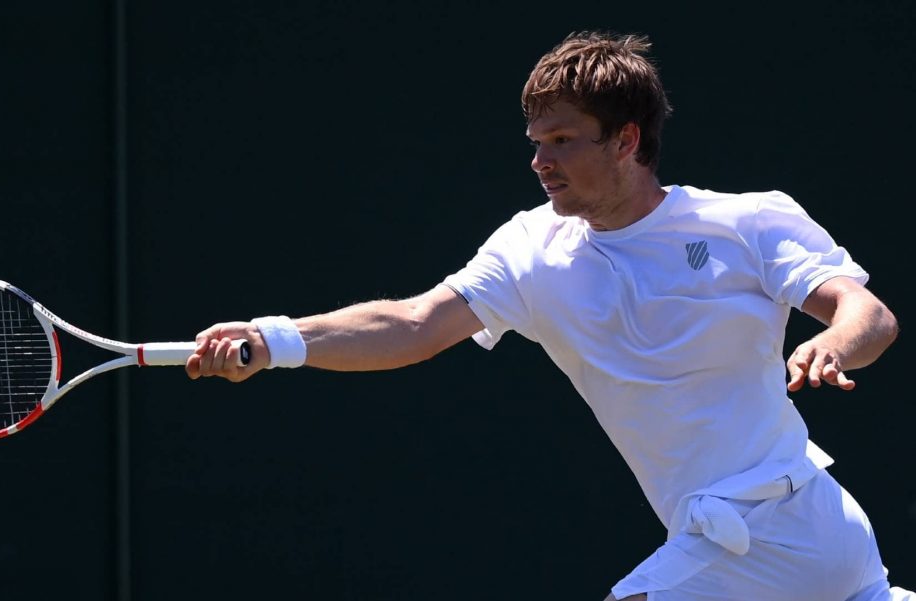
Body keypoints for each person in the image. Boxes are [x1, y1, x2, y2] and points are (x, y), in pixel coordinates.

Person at [184, 31, 910, 601]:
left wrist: (833, 346)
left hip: (775, 524)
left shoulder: (748, 222)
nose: (540, 160)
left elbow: (867, 314)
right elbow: (413, 323)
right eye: (535, 141)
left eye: (562, 140)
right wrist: (273, 339)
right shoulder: (531, 248)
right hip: (798, 541)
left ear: (626, 140)